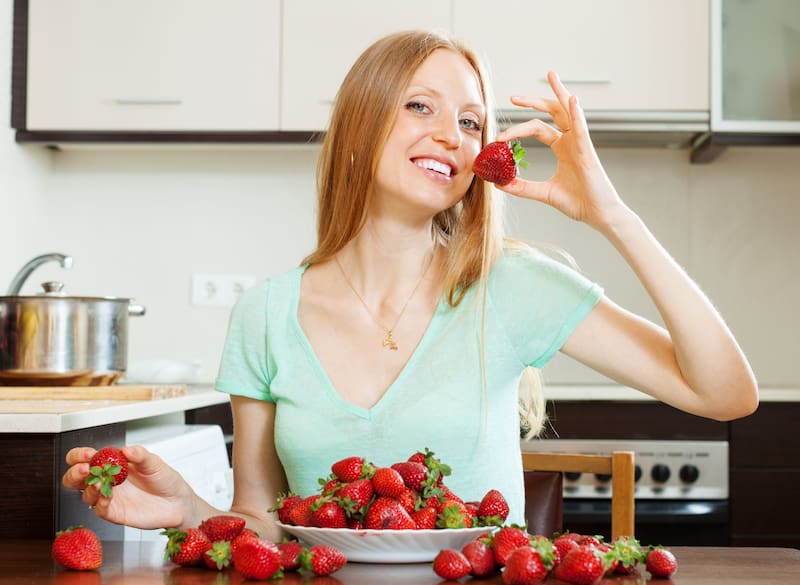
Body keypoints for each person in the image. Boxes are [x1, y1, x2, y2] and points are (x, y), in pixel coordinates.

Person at [62, 30, 758, 539]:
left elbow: (724, 392)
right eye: (420, 107)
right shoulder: (265, 313)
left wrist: (612, 215)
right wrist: (187, 509)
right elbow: (262, 525)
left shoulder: (513, 285)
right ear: (361, 128)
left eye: (469, 121)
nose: (451, 135)